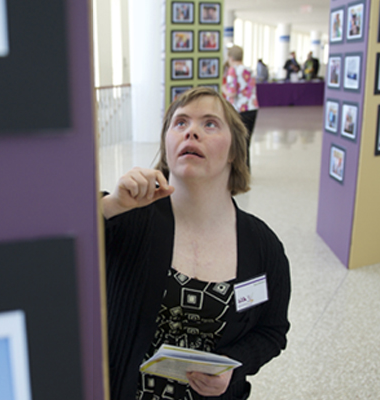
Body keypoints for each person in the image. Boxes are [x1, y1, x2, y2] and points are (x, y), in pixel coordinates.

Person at [103, 87, 291, 400]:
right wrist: (112, 205)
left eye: (210, 123)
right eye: (180, 123)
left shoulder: (263, 246)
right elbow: (59, 244)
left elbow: (272, 332)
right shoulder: (130, 218)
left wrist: (233, 369)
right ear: (167, 145)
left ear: (234, 150)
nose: (192, 131)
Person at [222, 45, 259, 169]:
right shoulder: (250, 70)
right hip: (252, 107)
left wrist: (222, 88)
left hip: (238, 110)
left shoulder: (233, 70)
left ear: (231, 57)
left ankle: (238, 171)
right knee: (246, 142)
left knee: (237, 142)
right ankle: (246, 170)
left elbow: (231, 92)